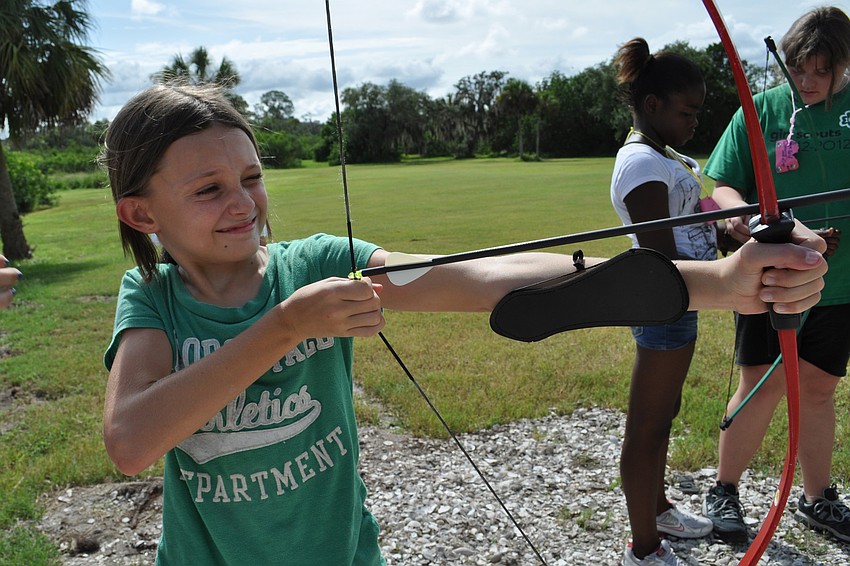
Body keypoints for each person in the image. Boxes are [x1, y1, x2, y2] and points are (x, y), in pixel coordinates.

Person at [99, 83, 828, 566]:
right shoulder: (152, 299)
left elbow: (485, 277)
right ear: (141, 212)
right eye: (208, 188)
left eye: (251, 178)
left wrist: (723, 283)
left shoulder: (317, 265)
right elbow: (131, 441)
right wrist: (284, 328)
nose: (242, 202)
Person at [701, 6, 850, 545]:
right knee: (759, 384)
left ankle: (816, 499)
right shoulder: (759, 109)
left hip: (840, 284)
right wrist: (737, 211)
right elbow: (722, 182)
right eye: (798, 69)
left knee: (817, 390)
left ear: (842, 66)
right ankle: (724, 489)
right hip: (772, 278)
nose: (807, 82)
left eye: (821, 70)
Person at [610, 38, 718, 566]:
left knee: (665, 414)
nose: (694, 122)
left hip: (680, 303)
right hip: (662, 306)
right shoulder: (639, 163)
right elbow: (660, 257)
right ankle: (644, 549)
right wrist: (727, 276)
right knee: (647, 426)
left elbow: (697, 227)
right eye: (687, 112)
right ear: (652, 106)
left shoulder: (662, 156)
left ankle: (658, 509)